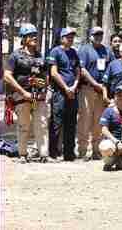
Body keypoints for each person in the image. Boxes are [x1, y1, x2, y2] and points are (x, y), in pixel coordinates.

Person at [3, 23, 50, 161]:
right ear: (24, 38)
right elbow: (7, 76)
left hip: (37, 96)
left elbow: (45, 76)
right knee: (24, 125)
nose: (34, 37)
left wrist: (44, 90)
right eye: (31, 35)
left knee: (41, 124)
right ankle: (22, 154)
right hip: (21, 96)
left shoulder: (40, 56)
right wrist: (23, 92)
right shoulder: (15, 56)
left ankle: (43, 154)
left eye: (35, 35)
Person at [76, 26, 111, 160]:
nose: (98, 36)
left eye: (100, 34)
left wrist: (104, 87)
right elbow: (82, 70)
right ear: (90, 36)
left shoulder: (106, 50)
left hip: (102, 91)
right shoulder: (84, 49)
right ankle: (83, 151)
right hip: (88, 89)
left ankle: (97, 150)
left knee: (98, 121)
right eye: (95, 34)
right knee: (85, 120)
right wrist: (95, 84)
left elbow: (111, 67)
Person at [47, 27, 81, 161]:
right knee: (57, 122)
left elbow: (78, 71)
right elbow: (54, 73)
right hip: (60, 93)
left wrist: (74, 86)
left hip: (73, 93)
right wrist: (66, 88)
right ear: (62, 38)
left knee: (71, 123)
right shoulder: (55, 51)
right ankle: (53, 153)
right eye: (68, 37)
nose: (70, 39)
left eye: (72, 37)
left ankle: (69, 153)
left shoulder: (74, 52)